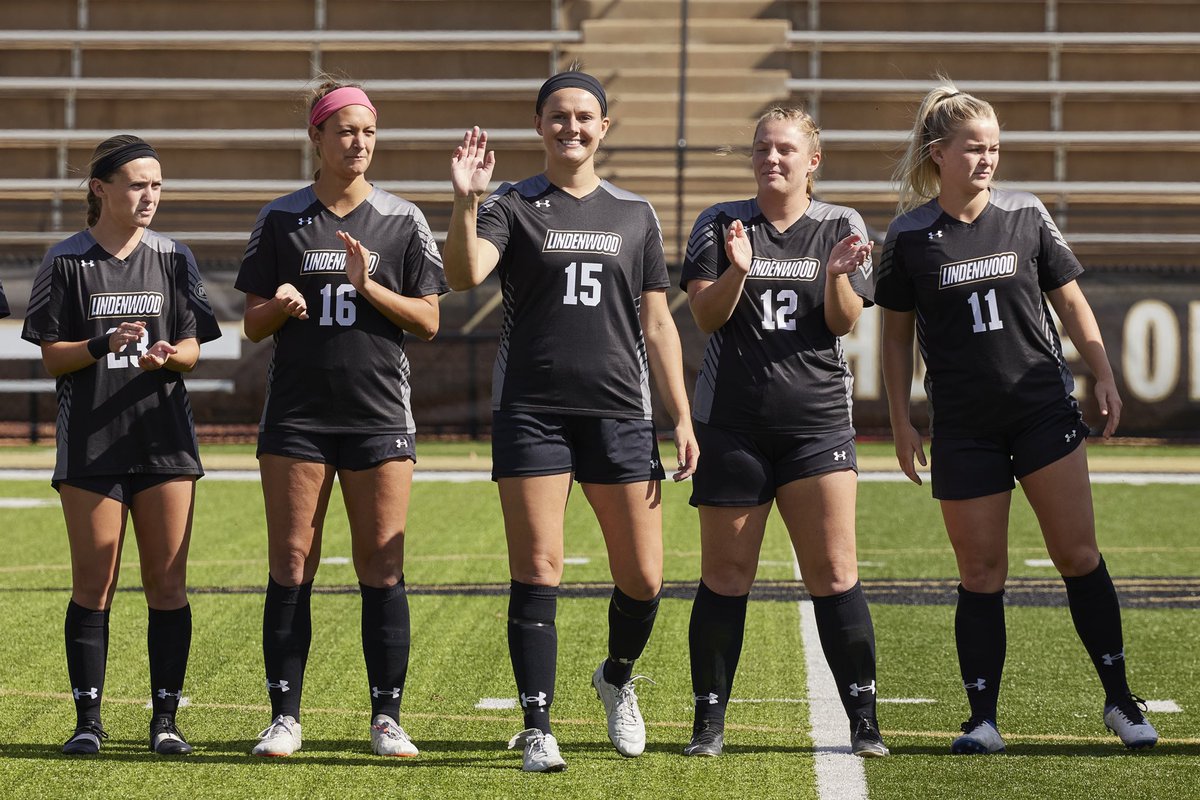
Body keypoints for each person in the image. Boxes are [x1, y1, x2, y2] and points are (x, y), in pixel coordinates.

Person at [876, 80, 1158, 754]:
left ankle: (1120, 701)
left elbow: (1073, 304)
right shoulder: (909, 234)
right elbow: (892, 338)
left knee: (1077, 554)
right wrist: (901, 420)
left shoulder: (1026, 213)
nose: (988, 159)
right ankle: (981, 718)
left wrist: (1105, 374)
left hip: (1041, 411)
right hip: (964, 426)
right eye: (975, 148)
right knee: (981, 573)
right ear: (938, 153)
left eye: (995, 148)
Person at [444, 70, 699, 772]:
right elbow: (465, 275)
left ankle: (615, 676)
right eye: (559, 116)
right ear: (539, 125)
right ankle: (538, 726)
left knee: (645, 578)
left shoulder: (635, 213)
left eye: (585, 116)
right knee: (538, 568)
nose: (572, 127)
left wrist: (681, 414)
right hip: (532, 411)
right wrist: (464, 204)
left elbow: (658, 324)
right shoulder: (511, 204)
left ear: (604, 127)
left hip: (620, 412)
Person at [235, 79, 448, 758]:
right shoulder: (281, 219)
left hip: (378, 412)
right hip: (297, 416)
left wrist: (368, 287)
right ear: (317, 138)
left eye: (368, 132)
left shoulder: (402, 219)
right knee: (293, 562)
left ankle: (386, 716)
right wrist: (282, 303)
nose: (358, 143)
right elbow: (250, 324)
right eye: (345, 131)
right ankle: (285, 716)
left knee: (381, 565)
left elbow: (430, 321)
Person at [679, 107, 887, 759]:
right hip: (732, 424)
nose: (774, 158)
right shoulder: (719, 222)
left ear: (812, 160)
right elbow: (706, 318)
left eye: (787, 150)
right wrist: (738, 270)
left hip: (815, 424)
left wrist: (834, 278)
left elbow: (844, 321)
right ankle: (708, 723)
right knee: (725, 576)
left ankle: (864, 723)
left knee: (834, 572)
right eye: (764, 148)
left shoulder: (839, 224)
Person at [22, 134, 221, 756]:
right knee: (94, 583)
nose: (149, 196)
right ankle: (88, 722)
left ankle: (166, 722)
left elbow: (192, 344)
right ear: (99, 188)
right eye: (137, 184)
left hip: (165, 441)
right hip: (91, 443)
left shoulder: (174, 257)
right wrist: (103, 345)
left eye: (157, 185)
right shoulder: (66, 261)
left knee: (167, 584)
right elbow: (52, 358)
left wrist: (170, 356)